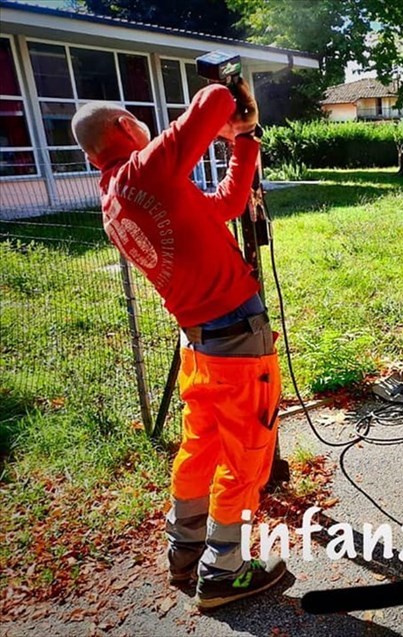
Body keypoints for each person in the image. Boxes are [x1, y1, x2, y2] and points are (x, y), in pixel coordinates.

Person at [71, 78, 286, 610]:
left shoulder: (117, 197)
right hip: (236, 338)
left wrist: (243, 139)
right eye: (133, 116)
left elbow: (227, 205)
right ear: (124, 127)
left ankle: (184, 550)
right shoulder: (144, 170)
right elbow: (213, 101)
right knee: (246, 454)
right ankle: (225, 570)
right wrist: (231, 90)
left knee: (200, 446)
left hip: (200, 345)